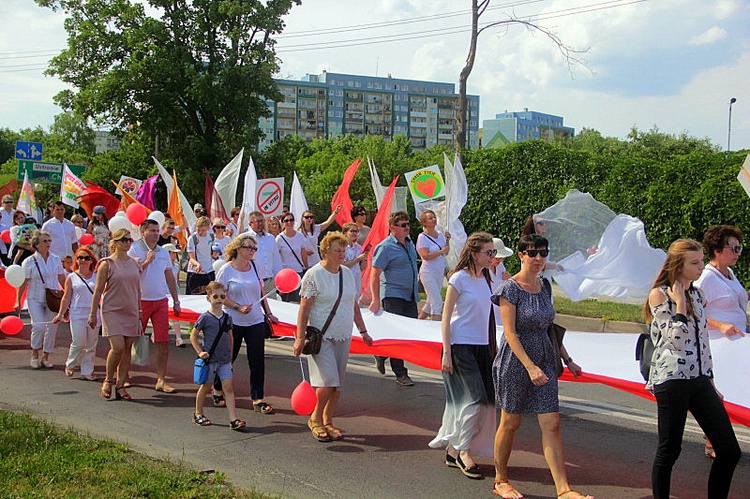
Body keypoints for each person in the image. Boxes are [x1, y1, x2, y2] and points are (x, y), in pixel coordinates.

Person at [491, 234, 588, 499]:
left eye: (543, 253)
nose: (538, 258)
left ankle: (564, 489)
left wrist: (567, 359)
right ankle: (501, 480)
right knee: (510, 421)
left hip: (545, 359)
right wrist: (530, 367)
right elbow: (510, 333)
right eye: (532, 253)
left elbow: (549, 329)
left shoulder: (545, 285)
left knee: (552, 423)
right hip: (516, 361)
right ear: (521, 255)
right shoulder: (509, 288)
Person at [646, 239, 741, 499]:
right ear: (678, 265)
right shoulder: (659, 295)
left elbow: (703, 343)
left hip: (699, 380)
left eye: (701, 261)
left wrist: (710, 382)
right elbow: (675, 341)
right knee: (670, 450)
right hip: (672, 379)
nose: (701, 267)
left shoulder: (698, 294)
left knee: (730, 450)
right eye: (695, 263)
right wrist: (679, 305)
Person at [429, 232, 497, 479]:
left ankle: (452, 448)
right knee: (474, 398)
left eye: (493, 252)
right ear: (474, 253)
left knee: (486, 401)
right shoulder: (458, 279)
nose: (492, 256)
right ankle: (464, 452)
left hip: (482, 347)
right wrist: (446, 352)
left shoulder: (487, 278)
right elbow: (446, 318)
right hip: (459, 346)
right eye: (488, 252)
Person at [293, 231, 372, 441]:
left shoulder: (346, 273)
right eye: (338, 250)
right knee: (327, 381)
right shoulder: (314, 274)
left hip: (343, 335)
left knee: (337, 385)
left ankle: (328, 420)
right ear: (325, 251)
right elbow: (304, 310)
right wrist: (299, 338)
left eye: (344, 250)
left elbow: (353, 305)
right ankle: (315, 418)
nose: (342, 254)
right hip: (321, 337)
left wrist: (363, 331)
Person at [694, 225, 748, 459]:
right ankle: (711, 440)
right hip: (715, 345)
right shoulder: (705, 277)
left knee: (732, 389)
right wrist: (721, 325)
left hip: (734, 344)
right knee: (717, 394)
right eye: (733, 248)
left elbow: (735, 299)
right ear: (717, 250)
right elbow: (693, 312)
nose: (738, 252)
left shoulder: (728, 273)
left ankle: (718, 437)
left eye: (740, 248)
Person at [216, 235, 279, 414]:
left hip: (255, 321)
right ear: (238, 248)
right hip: (233, 321)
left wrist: (269, 313)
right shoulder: (226, 269)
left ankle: (258, 398)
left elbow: (261, 291)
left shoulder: (255, 266)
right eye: (249, 247)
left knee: (257, 360)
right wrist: (237, 306)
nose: (252, 251)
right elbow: (218, 295)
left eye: (254, 248)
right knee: (229, 357)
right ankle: (217, 389)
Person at [128, 219, 182, 393]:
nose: (155, 234)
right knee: (131, 339)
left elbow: (169, 277)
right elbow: (130, 274)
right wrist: (146, 262)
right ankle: (124, 375)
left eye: (157, 230)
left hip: (160, 301)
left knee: (163, 341)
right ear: (142, 231)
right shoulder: (135, 249)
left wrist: (176, 300)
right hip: (140, 300)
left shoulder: (163, 252)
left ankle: (161, 379)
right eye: (151, 230)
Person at [88, 228, 141, 401]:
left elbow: (137, 289)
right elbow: (98, 290)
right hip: (112, 310)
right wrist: (92, 313)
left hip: (131, 309)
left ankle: (121, 385)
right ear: (115, 242)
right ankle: (108, 379)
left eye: (129, 240)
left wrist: (139, 312)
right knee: (117, 347)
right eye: (123, 240)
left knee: (127, 349)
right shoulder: (107, 264)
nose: (127, 243)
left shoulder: (134, 262)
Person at [369, 211, 419, 386]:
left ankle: (381, 353)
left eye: (408, 224)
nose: (407, 228)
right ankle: (400, 373)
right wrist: (375, 299)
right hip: (393, 295)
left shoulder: (410, 243)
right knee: (398, 333)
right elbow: (374, 274)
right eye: (403, 225)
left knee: (408, 331)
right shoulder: (385, 247)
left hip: (410, 295)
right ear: (393, 228)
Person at [190, 281, 246, 430]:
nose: (220, 299)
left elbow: (230, 337)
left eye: (222, 296)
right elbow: (193, 335)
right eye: (216, 296)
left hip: (224, 359)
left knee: (228, 387)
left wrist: (231, 355)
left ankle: (233, 418)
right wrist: (199, 352)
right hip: (210, 359)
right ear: (208, 298)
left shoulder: (227, 318)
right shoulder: (205, 317)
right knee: (206, 386)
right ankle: (198, 413)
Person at [15, 231, 66, 369]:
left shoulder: (55, 259)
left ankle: (46, 356)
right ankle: (35, 353)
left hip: (53, 298)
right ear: (36, 244)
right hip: (35, 298)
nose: (48, 243)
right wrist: (17, 300)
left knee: (52, 326)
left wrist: (68, 295)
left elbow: (62, 278)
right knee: (38, 326)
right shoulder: (29, 261)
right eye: (45, 241)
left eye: (49, 240)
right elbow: (23, 282)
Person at [53, 247, 99, 380]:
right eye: (80, 257)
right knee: (79, 341)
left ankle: (87, 371)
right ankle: (70, 363)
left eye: (86, 258)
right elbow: (66, 297)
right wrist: (61, 313)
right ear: (76, 260)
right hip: (77, 312)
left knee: (91, 344)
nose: (83, 260)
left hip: (94, 312)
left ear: (92, 260)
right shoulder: (71, 277)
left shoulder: (97, 276)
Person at [416, 209, 450, 320]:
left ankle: (418, 322)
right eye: (430, 218)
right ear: (424, 223)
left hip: (438, 271)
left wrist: (447, 240)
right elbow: (425, 256)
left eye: (434, 217)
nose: (433, 219)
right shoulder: (422, 237)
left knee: (431, 301)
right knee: (437, 302)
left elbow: (446, 251)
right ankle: (435, 328)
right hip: (428, 272)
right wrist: (441, 251)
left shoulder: (440, 235)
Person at [244, 211, 282, 297]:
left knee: (272, 308)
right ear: (250, 223)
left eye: (262, 221)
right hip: (252, 282)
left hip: (269, 282)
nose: (260, 223)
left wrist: (279, 280)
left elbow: (276, 260)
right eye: (257, 221)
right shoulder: (244, 238)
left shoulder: (270, 238)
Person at [276, 213, 308, 302]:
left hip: (298, 272)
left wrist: (307, 267)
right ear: (282, 223)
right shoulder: (279, 238)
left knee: (297, 300)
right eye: (286, 220)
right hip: (285, 273)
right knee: (285, 301)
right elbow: (276, 257)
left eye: (291, 220)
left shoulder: (300, 236)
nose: (289, 222)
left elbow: (303, 253)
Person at [186, 216, 214, 294]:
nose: (200, 232)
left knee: (209, 295)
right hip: (195, 271)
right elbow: (192, 258)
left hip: (209, 270)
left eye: (203, 230)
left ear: (208, 228)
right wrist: (198, 264)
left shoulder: (211, 237)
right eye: (198, 230)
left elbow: (212, 252)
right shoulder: (193, 238)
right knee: (192, 296)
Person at [342, 222, 367, 299]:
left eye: (356, 231)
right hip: (346, 278)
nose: (354, 233)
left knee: (356, 299)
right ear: (345, 233)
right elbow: (343, 265)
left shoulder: (358, 247)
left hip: (357, 277)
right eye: (352, 231)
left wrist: (365, 258)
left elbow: (362, 267)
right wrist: (358, 259)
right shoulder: (342, 247)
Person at [0, 194, 16, 265]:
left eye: (11, 202)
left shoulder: (15, 212)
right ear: (2, 203)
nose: (9, 204)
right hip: (2, 237)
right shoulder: (0, 212)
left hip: (12, 237)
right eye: (7, 202)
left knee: (10, 255)